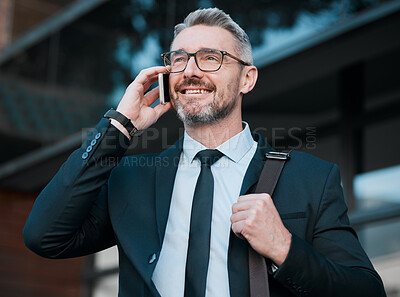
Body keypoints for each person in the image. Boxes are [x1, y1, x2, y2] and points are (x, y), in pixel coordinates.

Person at [23, 7, 386, 297]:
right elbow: (44, 235)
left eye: (210, 57)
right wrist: (119, 125)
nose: (191, 71)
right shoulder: (132, 178)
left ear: (247, 79)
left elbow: (365, 290)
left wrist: (285, 248)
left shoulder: (311, 179)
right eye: (179, 59)